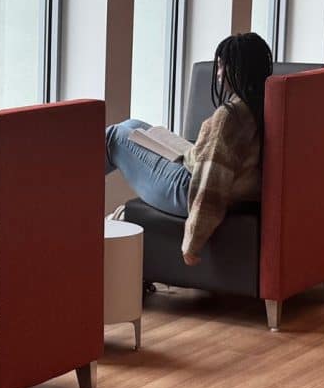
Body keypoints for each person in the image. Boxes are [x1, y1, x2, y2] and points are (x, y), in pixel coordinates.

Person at [105, 31, 271, 265]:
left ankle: (66, 201)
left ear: (238, 70)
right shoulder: (264, 106)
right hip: (222, 180)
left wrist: (193, 241)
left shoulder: (229, 117)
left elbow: (211, 182)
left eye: (223, 67)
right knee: (132, 126)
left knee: (114, 136)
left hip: (185, 190)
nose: (219, 74)